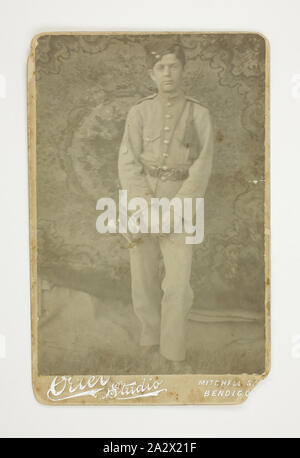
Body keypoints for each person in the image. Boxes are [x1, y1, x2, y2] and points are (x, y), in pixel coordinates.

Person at [118, 40, 214, 373]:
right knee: (142, 275)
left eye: (173, 66)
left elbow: (203, 164)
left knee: (177, 283)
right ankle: (149, 341)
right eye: (161, 67)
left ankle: (174, 354)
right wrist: (144, 203)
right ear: (151, 73)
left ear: (183, 70)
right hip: (142, 202)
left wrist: (177, 206)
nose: (168, 73)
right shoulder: (139, 112)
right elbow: (127, 161)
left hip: (181, 202)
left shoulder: (199, 113)